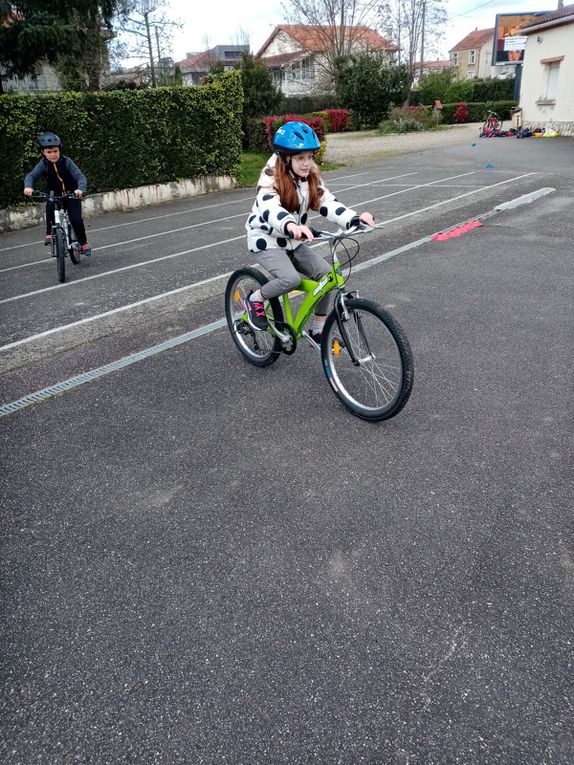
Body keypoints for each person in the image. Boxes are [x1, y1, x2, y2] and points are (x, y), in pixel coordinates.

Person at [245, 120, 374, 338]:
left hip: (293, 240)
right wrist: (290, 225)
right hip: (266, 239)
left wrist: (355, 218)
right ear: (286, 158)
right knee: (290, 280)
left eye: (310, 157)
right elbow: (269, 206)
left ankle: (318, 328)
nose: (307, 163)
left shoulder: (309, 176)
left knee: (327, 275)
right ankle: (255, 299)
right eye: (300, 158)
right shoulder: (270, 176)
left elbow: (327, 202)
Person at [24, 132, 92, 256]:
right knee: (50, 205)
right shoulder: (43, 164)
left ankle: (83, 242)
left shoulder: (67, 162)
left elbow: (80, 176)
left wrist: (80, 189)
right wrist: (28, 186)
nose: (53, 154)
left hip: (71, 194)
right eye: (49, 152)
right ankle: (49, 233)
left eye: (55, 151)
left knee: (76, 219)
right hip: (55, 194)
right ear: (43, 153)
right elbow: (32, 175)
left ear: (59, 149)